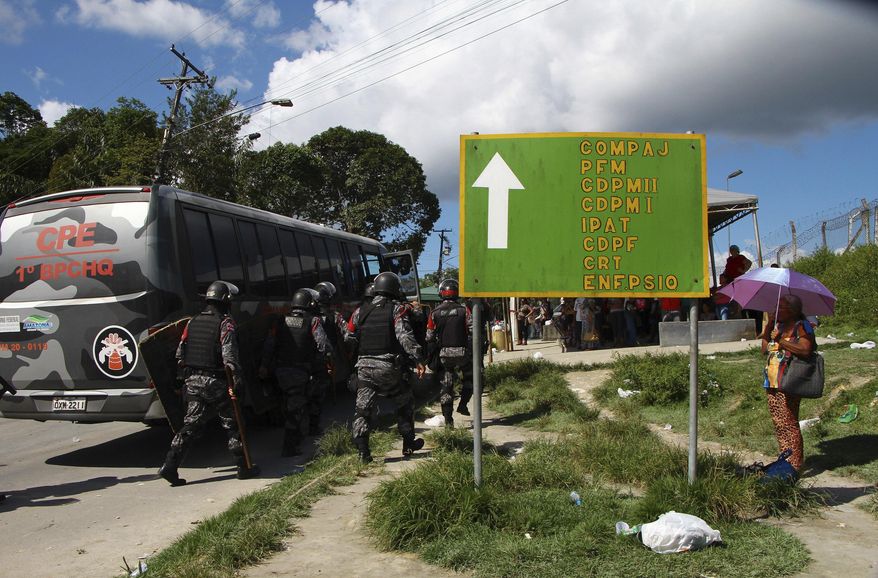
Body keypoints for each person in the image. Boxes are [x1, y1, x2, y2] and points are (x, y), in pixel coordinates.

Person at [159, 280, 258, 486]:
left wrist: (183, 381)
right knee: (233, 422)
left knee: (191, 425)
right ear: (226, 301)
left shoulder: (192, 321)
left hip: (193, 382)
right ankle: (243, 466)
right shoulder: (226, 323)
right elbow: (230, 358)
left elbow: (180, 354)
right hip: (217, 383)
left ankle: (170, 464)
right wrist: (237, 383)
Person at [345, 272, 427, 463]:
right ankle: (408, 443)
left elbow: (348, 336)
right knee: (404, 402)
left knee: (362, 410)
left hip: (364, 367)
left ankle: (363, 453)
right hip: (388, 367)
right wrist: (418, 358)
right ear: (393, 288)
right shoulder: (396, 309)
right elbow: (404, 336)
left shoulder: (360, 310)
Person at [259, 289, 333, 457]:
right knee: (297, 408)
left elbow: (269, 346)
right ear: (311, 304)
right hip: (300, 371)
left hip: (280, 371)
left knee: (290, 404)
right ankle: (290, 446)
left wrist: (264, 366)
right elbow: (324, 346)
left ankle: (297, 436)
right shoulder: (313, 321)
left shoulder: (280, 321)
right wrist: (324, 361)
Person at [761, 294, 815, 475]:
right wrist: (768, 326)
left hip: (789, 380)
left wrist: (781, 341)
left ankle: (795, 464)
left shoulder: (802, 326)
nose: (777, 311)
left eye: (781, 308)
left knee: (789, 421)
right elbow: (763, 349)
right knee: (778, 421)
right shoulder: (778, 326)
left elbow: (806, 350)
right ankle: (785, 457)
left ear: (792, 310)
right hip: (772, 380)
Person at [426, 279, 473, 428]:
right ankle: (463, 404)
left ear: (441, 293)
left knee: (446, 387)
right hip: (463, 353)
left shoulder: (434, 313)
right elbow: (472, 330)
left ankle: (448, 421)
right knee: (470, 377)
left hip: (444, 355)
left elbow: (429, 337)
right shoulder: (464, 310)